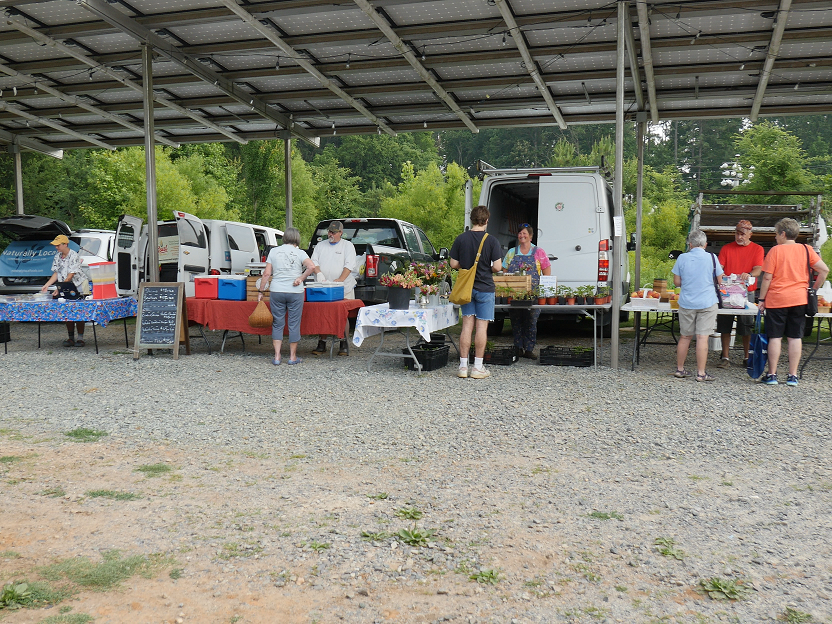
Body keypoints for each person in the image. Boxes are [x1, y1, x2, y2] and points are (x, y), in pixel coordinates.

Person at [757, 218, 829, 386]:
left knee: (775, 337)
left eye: (776, 234)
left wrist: (762, 298)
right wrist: (813, 289)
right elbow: (824, 270)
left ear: (783, 234)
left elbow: (767, 277)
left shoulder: (775, 251)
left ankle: (772, 374)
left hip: (777, 299)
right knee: (795, 337)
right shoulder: (806, 249)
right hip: (799, 298)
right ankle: (792, 376)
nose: (775, 237)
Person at [450, 205, 503, 379]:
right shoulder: (492, 240)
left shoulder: (461, 239)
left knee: (467, 326)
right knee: (481, 327)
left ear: (472, 220)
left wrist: (466, 264)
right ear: (486, 221)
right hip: (485, 289)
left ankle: (463, 367)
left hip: (467, 289)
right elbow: (497, 267)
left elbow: (453, 264)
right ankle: (478, 367)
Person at [671, 229, 723, 382]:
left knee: (685, 336)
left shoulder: (682, 258)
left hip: (687, 302)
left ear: (690, 244)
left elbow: (677, 282)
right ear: (705, 244)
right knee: (702, 337)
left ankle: (680, 369)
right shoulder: (713, 258)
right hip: (707, 302)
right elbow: (720, 281)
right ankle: (701, 373)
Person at [258, 227, 315, 366]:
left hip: (277, 291)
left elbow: (266, 274)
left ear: (284, 238)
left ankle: (277, 357)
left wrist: (261, 291)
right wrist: (301, 278)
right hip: (295, 292)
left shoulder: (274, 251)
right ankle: (292, 357)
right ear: (297, 238)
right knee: (294, 323)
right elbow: (312, 267)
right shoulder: (300, 253)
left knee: (277, 323)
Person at [716, 219, 764, 368]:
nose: (739, 237)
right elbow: (720, 267)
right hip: (727, 292)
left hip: (746, 292)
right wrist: (722, 275)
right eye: (737, 233)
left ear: (750, 234)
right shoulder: (726, 248)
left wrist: (749, 274)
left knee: (746, 326)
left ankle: (746, 357)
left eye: (743, 234)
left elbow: (758, 269)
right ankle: (725, 357)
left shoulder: (757, 249)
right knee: (725, 325)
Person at [503, 223, 551, 359]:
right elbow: (505, 271)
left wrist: (543, 289)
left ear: (530, 236)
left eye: (525, 233)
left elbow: (547, 272)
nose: (522, 236)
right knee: (515, 320)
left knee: (531, 320)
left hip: (533, 293)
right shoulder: (512, 252)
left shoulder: (539, 252)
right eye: (520, 233)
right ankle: (518, 348)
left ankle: (529, 349)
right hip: (514, 293)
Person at [310, 220, 357, 356]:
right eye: (329, 231)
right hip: (324, 285)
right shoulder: (320, 245)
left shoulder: (348, 246)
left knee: (343, 314)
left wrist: (340, 280)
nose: (331, 234)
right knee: (323, 313)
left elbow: (349, 265)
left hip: (343, 286)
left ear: (341, 233)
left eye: (334, 232)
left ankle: (344, 343)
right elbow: (314, 262)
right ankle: (322, 342)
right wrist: (318, 274)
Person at [40, 234, 90, 347]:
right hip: (66, 285)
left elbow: (70, 275)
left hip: (79, 284)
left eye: (58, 245)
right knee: (67, 310)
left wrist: (60, 288)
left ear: (65, 244)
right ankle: (70, 337)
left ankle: (80, 338)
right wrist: (47, 285)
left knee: (78, 310)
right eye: (55, 245)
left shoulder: (74, 255)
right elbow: (56, 273)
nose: (56, 247)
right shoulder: (58, 256)